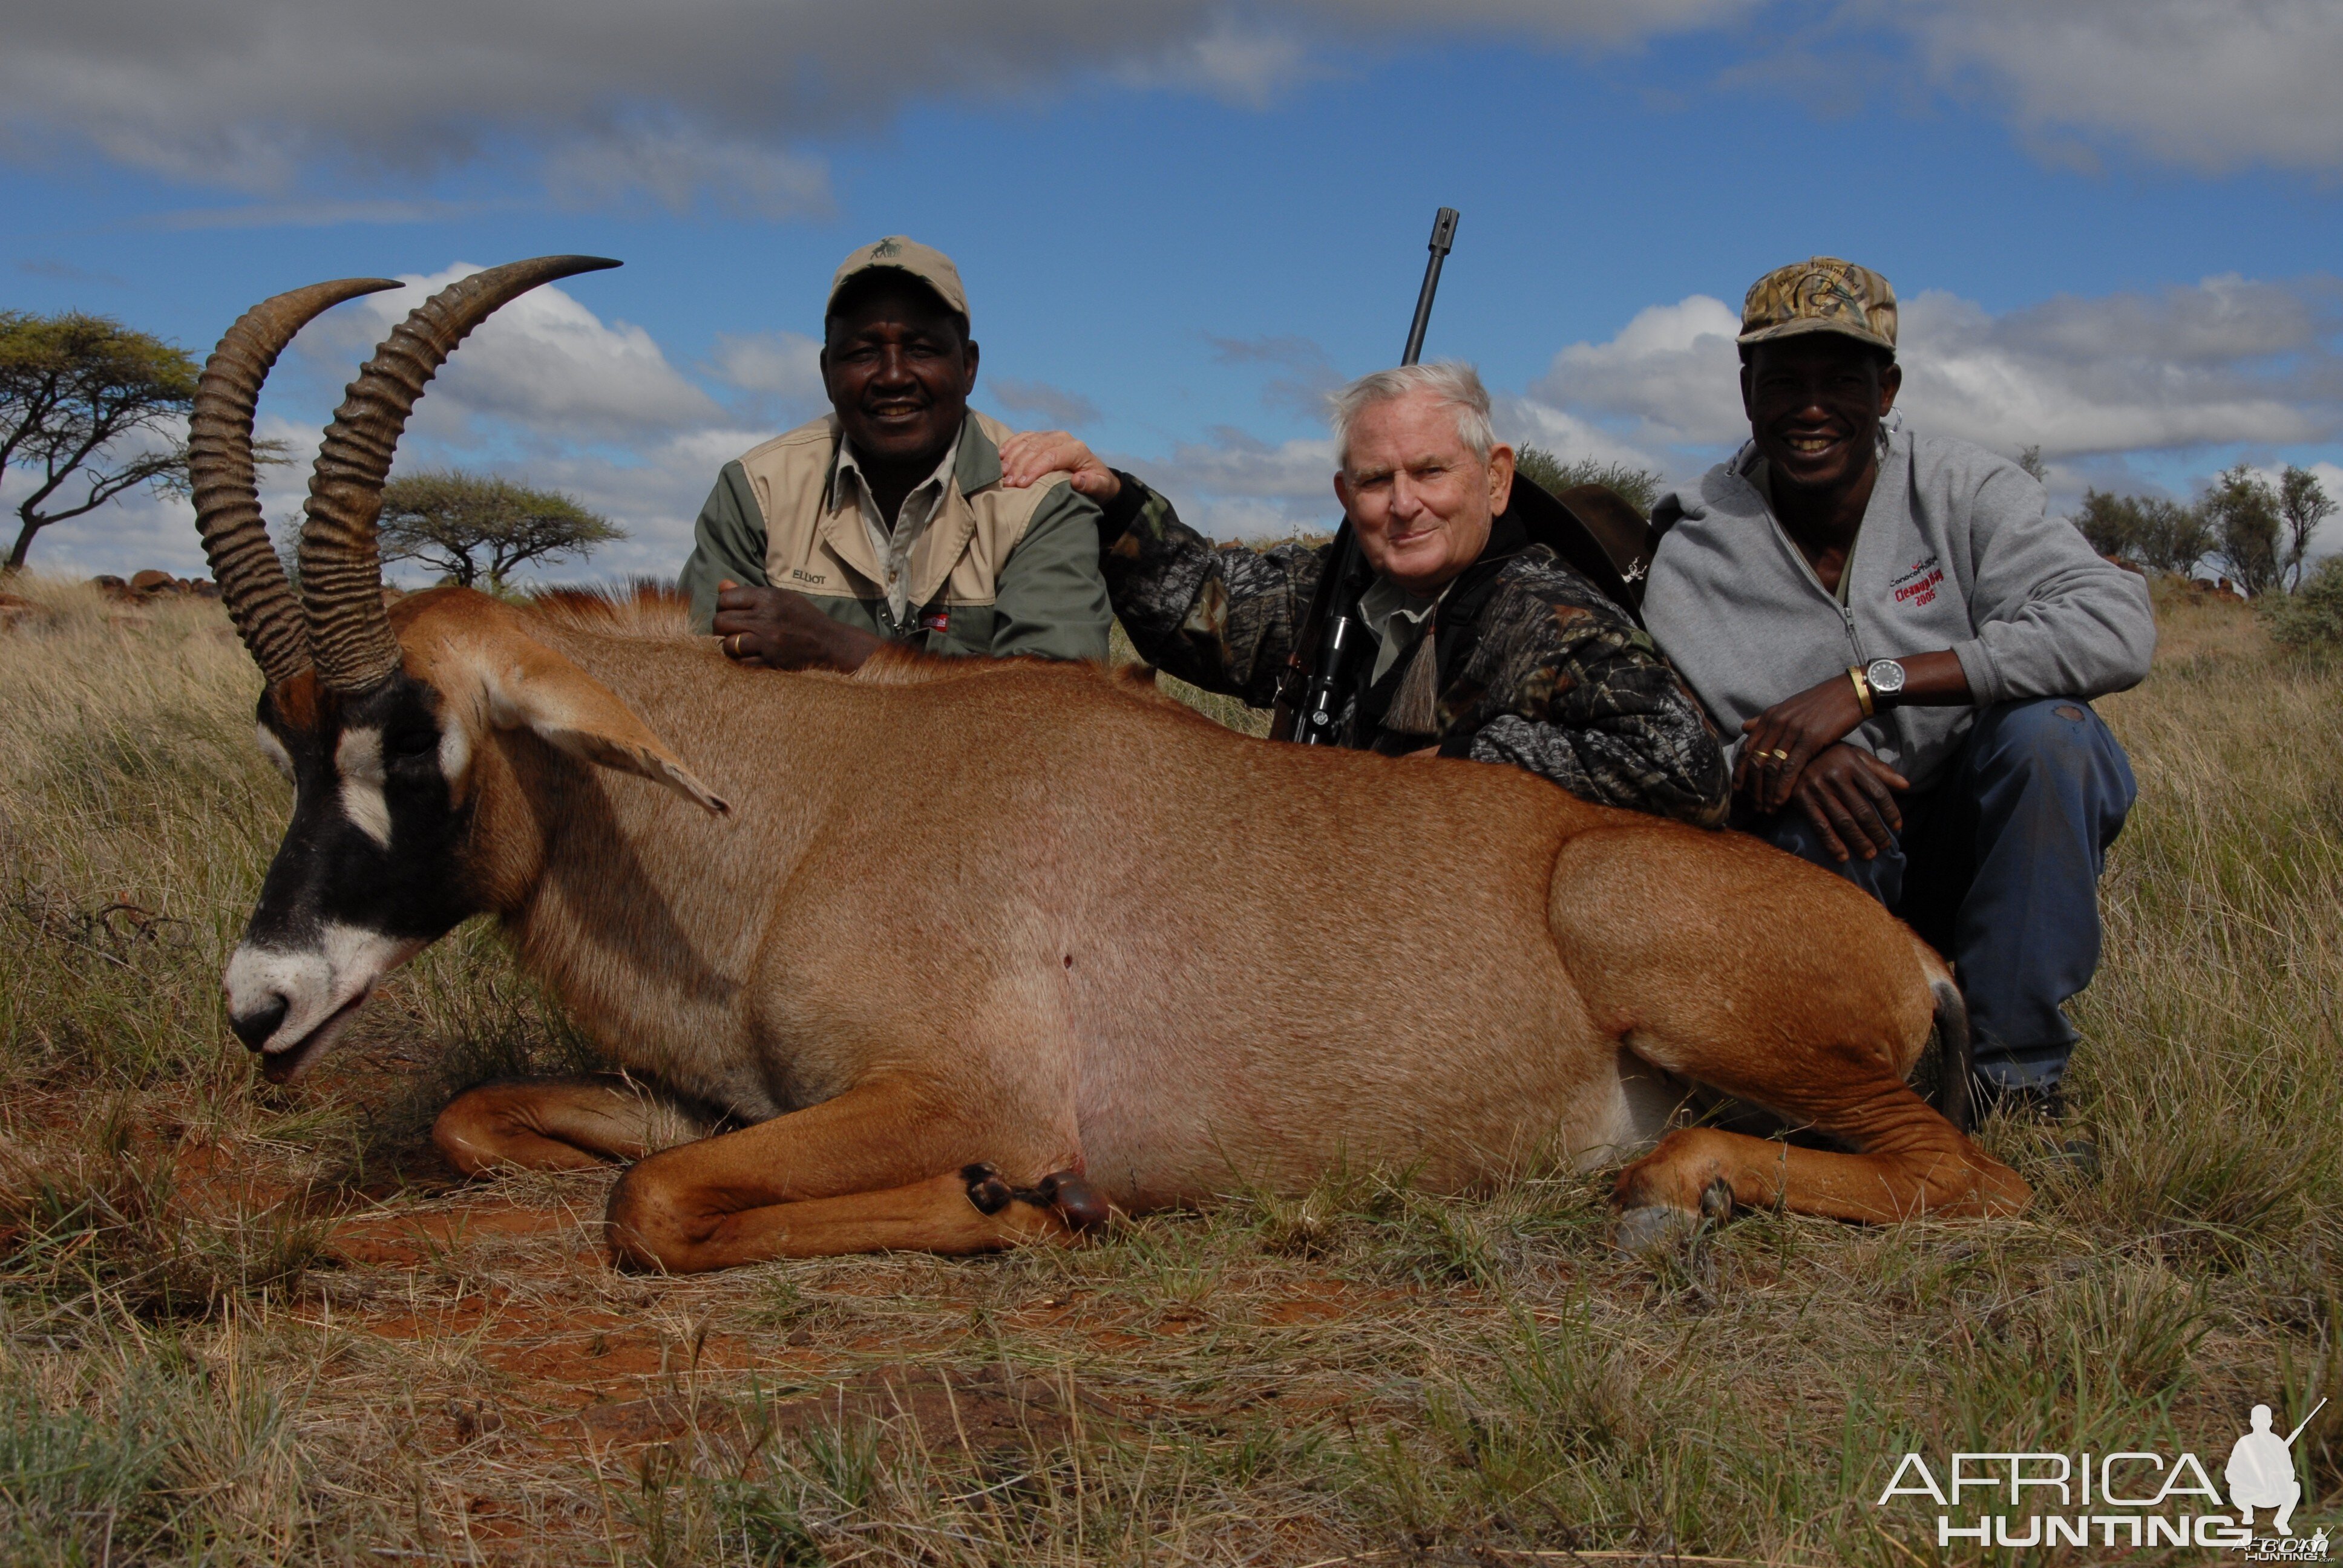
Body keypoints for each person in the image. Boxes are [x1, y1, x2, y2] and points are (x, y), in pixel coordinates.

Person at [1642, 256, 2155, 1115]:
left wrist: (1872, 686)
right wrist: (1775, 758)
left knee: (2054, 736)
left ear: (1887, 390)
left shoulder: (1964, 488)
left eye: (1842, 379)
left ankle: (2014, 1080)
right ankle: (1845, 1082)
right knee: (1795, 812)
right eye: (1784, 381)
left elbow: (2117, 626)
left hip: (1970, 846)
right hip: (1830, 861)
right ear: (1747, 391)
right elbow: (1672, 743)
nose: (1811, 408)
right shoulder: (1693, 545)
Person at [997, 363, 1730, 825]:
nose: (1402, 504)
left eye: (1431, 472)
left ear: (1496, 478)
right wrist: (1116, 500)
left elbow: (1686, 765)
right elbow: (1204, 606)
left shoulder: (1549, 616)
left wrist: (1466, 763)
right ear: (1345, 495)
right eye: (1376, 481)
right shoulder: (1336, 590)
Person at [680, 236, 1112, 670]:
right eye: (863, 353)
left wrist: (837, 650)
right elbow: (696, 680)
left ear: (968, 367)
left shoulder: (1041, 502)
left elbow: (1055, 711)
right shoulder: (756, 491)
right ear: (828, 374)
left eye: (921, 349)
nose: (892, 376)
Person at [2225, 1404, 2302, 1536]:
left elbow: (2290, 1473)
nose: (2262, 1423)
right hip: (2248, 1493)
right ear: (2252, 1422)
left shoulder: (2278, 1443)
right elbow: (2231, 1472)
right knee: (2234, 1489)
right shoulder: (2244, 1443)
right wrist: (2249, 1476)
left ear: (2271, 1422)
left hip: (2272, 1492)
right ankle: (2248, 1513)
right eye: (2258, 1419)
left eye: (2265, 1419)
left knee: (2295, 1487)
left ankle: (2282, 1521)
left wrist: (2276, 1474)